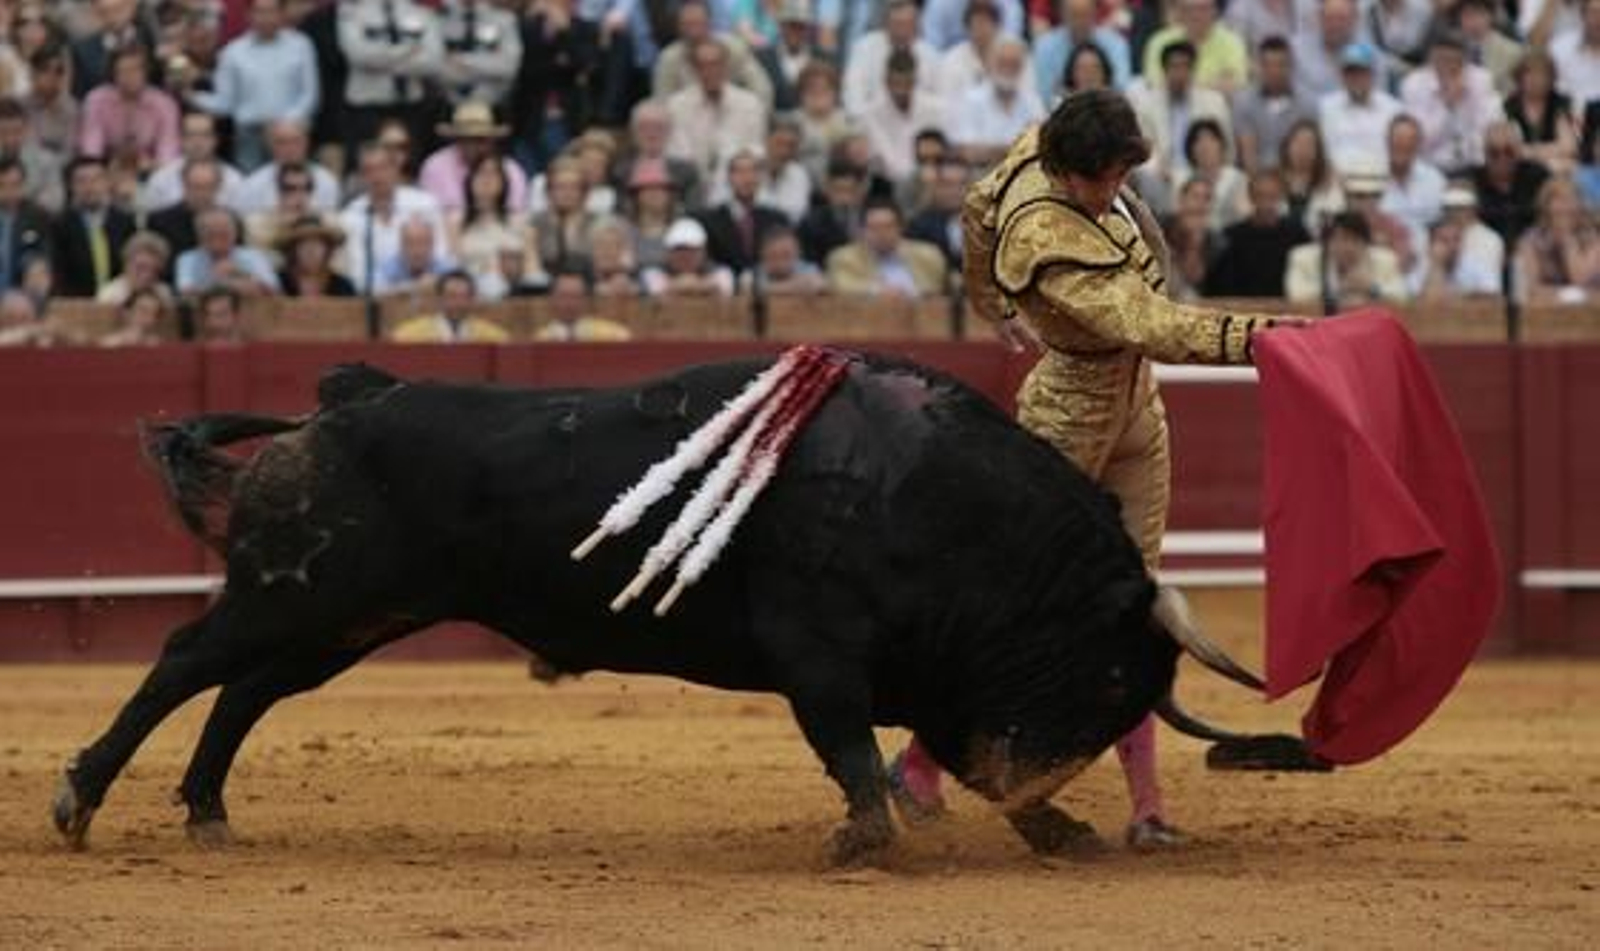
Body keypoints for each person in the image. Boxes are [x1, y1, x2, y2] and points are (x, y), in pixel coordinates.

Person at [894, 89, 1291, 852]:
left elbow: (978, 207)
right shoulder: (1046, 240)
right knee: (1005, 610)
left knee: (1135, 609)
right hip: (1062, 424)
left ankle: (1147, 808)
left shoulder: (1039, 146)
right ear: (1065, 170)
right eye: (1099, 181)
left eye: (1119, 176)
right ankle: (918, 767)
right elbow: (1148, 323)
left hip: (1138, 410)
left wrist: (987, 299)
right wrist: (1267, 336)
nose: (1112, 193)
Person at [1205, 170, 1311, 298]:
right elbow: (1220, 286)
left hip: (1287, 310)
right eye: (1260, 196)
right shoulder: (1231, 236)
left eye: (1272, 196)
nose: (1266, 203)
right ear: (1250, 196)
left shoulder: (1298, 234)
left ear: (1282, 196)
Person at [825, 197, 947, 298]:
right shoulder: (843, 258)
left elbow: (940, 288)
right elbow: (840, 286)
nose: (881, 234)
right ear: (861, 231)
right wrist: (878, 291)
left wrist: (908, 293)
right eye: (874, 228)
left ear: (901, 227)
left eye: (888, 226)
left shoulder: (928, 255)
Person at [1285, 211, 1409, 308]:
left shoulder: (1385, 259)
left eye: (1353, 240)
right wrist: (1339, 289)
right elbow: (1297, 298)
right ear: (1326, 242)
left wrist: (1371, 288)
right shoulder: (1302, 258)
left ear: (1366, 243)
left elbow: (1401, 298)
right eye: (1338, 239)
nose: (1345, 247)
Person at [1514, 174, 1600, 304]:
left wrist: (1568, 241)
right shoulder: (1531, 240)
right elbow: (1531, 289)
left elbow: (1580, 279)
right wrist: (1564, 295)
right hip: (1544, 312)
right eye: (1559, 200)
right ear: (1546, 206)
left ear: (1580, 205)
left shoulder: (1592, 238)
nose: (1566, 207)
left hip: (1588, 313)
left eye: (1572, 199)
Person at [390, 268, 511, 342]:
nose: (458, 303)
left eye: (464, 297)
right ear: (439, 298)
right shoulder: (410, 334)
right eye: (452, 296)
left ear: (472, 300)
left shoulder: (491, 336)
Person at [533, 266, 633, 341]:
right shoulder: (543, 339)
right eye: (564, 296)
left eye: (575, 297)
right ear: (553, 300)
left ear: (585, 300)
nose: (570, 304)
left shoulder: (610, 334)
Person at [276, 214, 356, 298]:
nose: (310, 250)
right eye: (303, 244)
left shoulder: (343, 286)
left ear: (328, 250)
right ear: (293, 250)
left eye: (317, 243)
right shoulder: (277, 283)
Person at [100, 286, 172, 346]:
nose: (147, 317)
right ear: (127, 312)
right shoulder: (108, 344)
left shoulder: (159, 346)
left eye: (153, 314)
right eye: (143, 310)